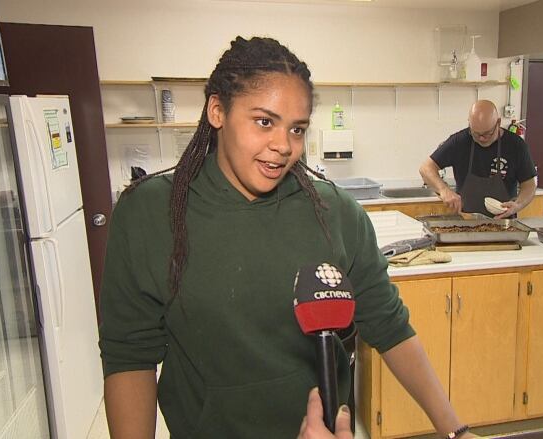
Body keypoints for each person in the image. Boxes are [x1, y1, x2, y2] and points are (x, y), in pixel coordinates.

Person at [98, 36, 477, 439]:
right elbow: (130, 357)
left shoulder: (337, 214)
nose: (283, 146)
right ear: (217, 111)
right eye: (264, 121)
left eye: (297, 129)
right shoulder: (150, 214)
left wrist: (454, 431)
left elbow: (390, 326)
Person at [419, 100, 538, 217]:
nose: (481, 138)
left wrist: (518, 205)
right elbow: (426, 168)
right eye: (476, 133)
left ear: (498, 122)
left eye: (487, 133)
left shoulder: (516, 145)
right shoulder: (459, 142)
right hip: (466, 224)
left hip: (504, 225)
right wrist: (444, 190)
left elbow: (529, 185)